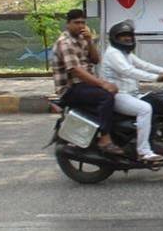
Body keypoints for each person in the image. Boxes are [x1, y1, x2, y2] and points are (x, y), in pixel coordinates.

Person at [101, 20, 163, 164]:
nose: (127, 38)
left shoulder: (125, 54)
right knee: (145, 109)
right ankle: (144, 152)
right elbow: (129, 71)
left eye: (129, 35)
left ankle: (154, 140)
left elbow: (145, 65)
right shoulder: (113, 53)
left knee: (157, 102)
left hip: (131, 94)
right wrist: (159, 78)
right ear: (115, 38)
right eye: (123, 36)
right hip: (118, 95)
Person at [52, 9, 124, 155]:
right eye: (76, 23)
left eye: (82, 23)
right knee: (105, 96)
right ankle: (105, 139)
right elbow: (76, 71)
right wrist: (103, 84)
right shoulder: (64, 42)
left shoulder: (83, 39)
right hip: (71, 88)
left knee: (116, 93)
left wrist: (90, 41)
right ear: (68, 24)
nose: (80, 26)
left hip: (84, 85)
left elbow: (96, 60)